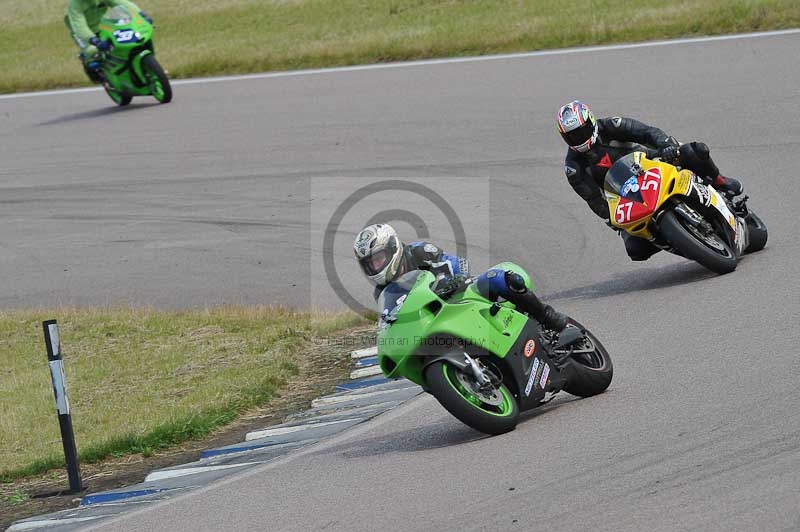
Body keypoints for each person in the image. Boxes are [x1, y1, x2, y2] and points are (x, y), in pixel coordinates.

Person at [555, 100, 744, 261]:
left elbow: (647, 132)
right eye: (572, 136)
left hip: (652, 163)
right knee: (635, 250)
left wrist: (667, 146)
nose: (578, 138)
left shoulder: (613, 126)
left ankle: (719, 181)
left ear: (591, 121)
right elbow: (594, 200)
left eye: (581, 131)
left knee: (694, 151)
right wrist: (613, 221)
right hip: (627, 198)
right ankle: (685, 243)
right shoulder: (574, 168)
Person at [353, 223, 570, 331]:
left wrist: (456, 280)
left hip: (461, 295)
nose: (376, 266)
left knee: (500, 277)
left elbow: (457, 263)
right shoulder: (381, 292)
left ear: (392, 248)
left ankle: (547, 317)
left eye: (378, 258)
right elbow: (394, 318)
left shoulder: (419, 252)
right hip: (437, 322)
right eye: (369, 263)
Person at [64, 0, 153, 84]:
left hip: (102, 25)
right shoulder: (74, 4)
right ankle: (89, 64)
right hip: (82, 32)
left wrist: (141, 14)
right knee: (92, 51)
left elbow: (122, 3)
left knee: (124, 36)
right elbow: (79, 26)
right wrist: (93, 40)